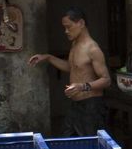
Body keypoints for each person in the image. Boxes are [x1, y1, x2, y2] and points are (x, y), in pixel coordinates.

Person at [28, 7, 111, 136]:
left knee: (89, 147)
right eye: (64, 28)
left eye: (69, 27)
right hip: (75, 106)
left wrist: (83, 86)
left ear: (81, 23)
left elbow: (106, 80)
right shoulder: (75, 44)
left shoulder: (93, 49)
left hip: (91, 107)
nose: (66, 31)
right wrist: (48, 57)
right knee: (67, 141)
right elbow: (71, 67)